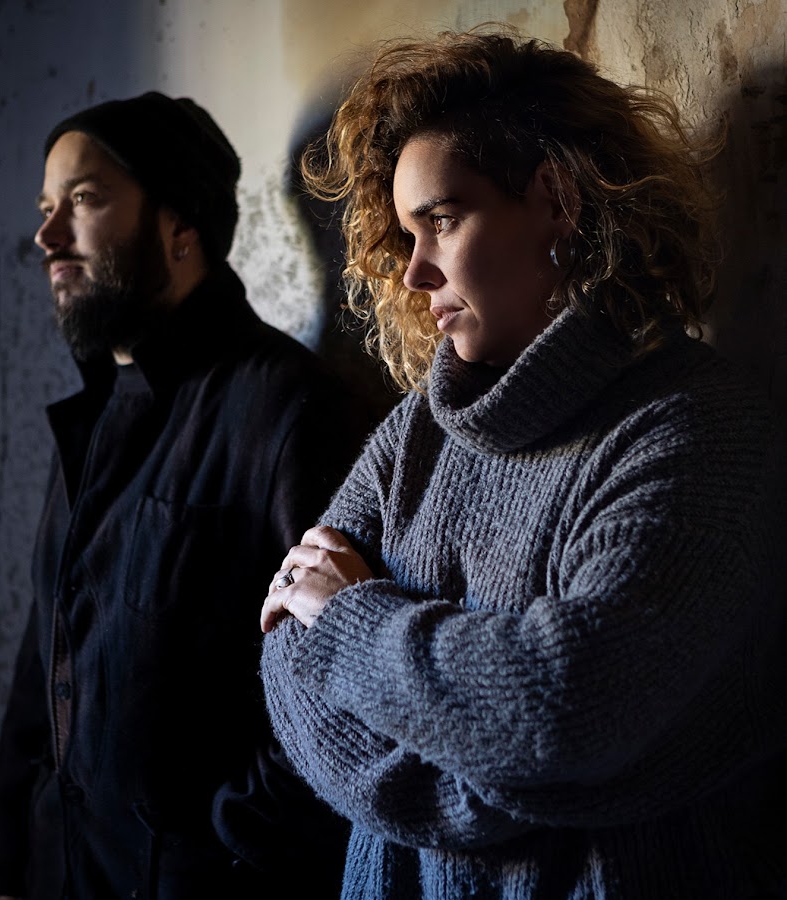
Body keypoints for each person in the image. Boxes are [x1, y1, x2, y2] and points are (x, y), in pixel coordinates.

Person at [259, 26, 787, 900]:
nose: (416, 274)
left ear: (555, 199)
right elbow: (285, 654)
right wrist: (506, 772)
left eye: (442, 220)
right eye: (407, 234)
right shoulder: (414, 434)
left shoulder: (699, 427)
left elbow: (566, 705)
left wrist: (353, 619)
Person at [0, 91, 372, 899]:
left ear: (180, 225)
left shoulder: (287, 409)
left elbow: (344, 686)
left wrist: (222, 850)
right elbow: (43, 668)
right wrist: (9, 868)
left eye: (84, 200)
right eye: (47, 208)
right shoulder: (91, 419)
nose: (47, 236)